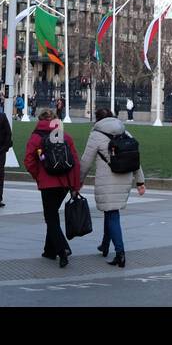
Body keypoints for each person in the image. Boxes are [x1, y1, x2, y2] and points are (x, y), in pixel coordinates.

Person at [78, 108, 146, 268]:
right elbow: (134, 157)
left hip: (108, 179)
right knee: (111, 212)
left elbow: (86, 161)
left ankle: (120, 253)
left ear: (98, 119)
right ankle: (105, 245)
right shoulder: (124, 132)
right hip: (125, 177)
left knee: (112, 214)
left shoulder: (95, 135)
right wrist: (140, 181)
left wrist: (79, 181)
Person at [23, 109, 82, 267]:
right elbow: (75, 162)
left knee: (51, 218)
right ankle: (49, 250)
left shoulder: (36, 137)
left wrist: (38, 176)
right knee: (52, 215)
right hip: (65, 183)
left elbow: (28, 160)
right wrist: (75, 185)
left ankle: (62, 249)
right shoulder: (65, 136)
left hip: (48, 183)